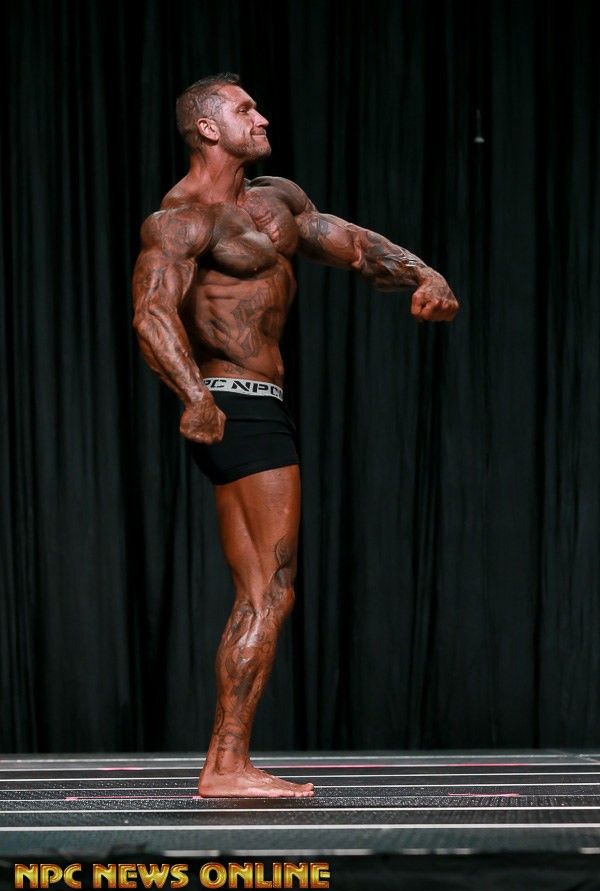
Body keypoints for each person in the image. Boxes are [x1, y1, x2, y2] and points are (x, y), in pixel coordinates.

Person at [132, 73, 459, 799]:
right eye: (244, 109)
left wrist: (423, 273)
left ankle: (226, 762)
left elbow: (352, 244)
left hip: (258, 405)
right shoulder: (181, 218)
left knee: (261, 590)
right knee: (269, 591)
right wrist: (194, 395)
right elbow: (151, 313)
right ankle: (226, 765)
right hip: (233, 402)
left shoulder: (277, 200)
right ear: (208, 128)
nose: (261, 117)